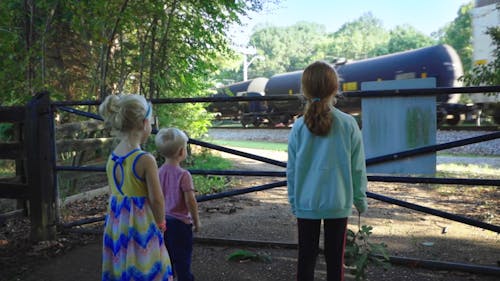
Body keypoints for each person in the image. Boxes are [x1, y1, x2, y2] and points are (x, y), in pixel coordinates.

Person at [286, 61, 368, 281]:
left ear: (304, 90)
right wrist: (360, 200)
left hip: (306, 202)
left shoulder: (298, 127)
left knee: (306, 259)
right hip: (338, 202)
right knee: (335, 262)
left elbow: (292, 170)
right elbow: (357, 167)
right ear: (335, 89)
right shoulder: (348, 123)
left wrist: (294, 202)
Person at [99, 94, 173, 281]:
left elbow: (113, 194)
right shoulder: (145, 159)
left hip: (117, 223)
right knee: (145, 267)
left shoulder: (113, 156)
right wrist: (161, 223)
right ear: (144, 123)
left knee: (121, 263)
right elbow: (157, 199)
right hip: (141, 225)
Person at [155, 127, 200, 281]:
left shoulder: (158, 173)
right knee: (183, 258)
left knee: (166, 257)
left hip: (163, 222)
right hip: (180, 224)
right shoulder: (183, 175)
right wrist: (196, 220)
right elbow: (190, 201)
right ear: (182, 152)